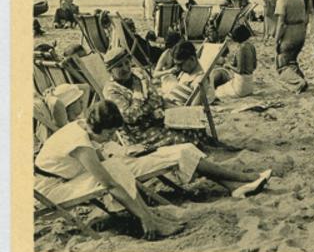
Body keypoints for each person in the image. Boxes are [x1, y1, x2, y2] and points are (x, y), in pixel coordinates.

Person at [35, 101, 272, 240]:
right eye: (109, 134)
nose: (110, 138)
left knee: (118, 165)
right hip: (51, 191)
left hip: (67, 178)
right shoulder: (80, 143)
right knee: (115, 170)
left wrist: (124, 153)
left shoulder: (84, 127)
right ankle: (149, 219)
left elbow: (109, 164)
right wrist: (145, 217)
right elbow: (109, 183)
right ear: (97, 128)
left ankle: (152, 217)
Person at [102, 47, 213, 149]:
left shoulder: (138, 74)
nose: (126, 68)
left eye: (127, 63)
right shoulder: (111, 90)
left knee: (193, 124)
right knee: (180, 138)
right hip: (138, 132)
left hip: (157, 118)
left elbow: (156, 98)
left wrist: (142, 108)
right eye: (119, 66)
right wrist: (138, 95)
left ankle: (206, 146)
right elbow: (130, 117)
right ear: (110, 71)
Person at [272, 0, 308, 94]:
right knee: (292, 60)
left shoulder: (282, 0)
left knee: (281, 63)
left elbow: (281, 23)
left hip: (290, 33)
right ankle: (300, 78)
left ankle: (299, 82)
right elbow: (306, 17)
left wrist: (276, 40)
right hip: (301, 32)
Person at [213, 24, 258, 100]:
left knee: (218, 91)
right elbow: (254, 66)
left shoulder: (241, 48)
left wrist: (228, 65)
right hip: (250, 85)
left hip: (240, 87)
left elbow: (240, 70)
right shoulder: (251, 46)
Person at [163, 41, 215, 107]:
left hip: (172, 110)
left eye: (180, 64)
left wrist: (163, 103)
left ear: (192, 59)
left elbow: (192, 109)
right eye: (176, 65)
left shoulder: (200, 80)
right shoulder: (186, 73)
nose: (178, 68)